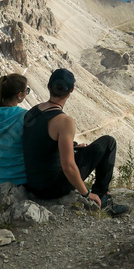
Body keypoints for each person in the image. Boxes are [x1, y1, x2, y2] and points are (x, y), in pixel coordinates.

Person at [22, 68, 125, 214]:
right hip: (52, 189)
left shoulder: (32, 111)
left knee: (84, 149)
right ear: (72, 90)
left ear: (48, 86)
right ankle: (103, 198)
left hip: (33, 184)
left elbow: (42, 143)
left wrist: (73, 147)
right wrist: (86, 194)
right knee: (108, 142)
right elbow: (68, 166)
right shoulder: (64, 121)